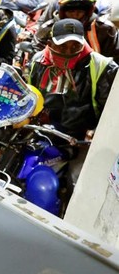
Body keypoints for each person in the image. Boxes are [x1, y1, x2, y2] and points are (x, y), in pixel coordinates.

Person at [27, 18, 117, 189]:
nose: (68, 52)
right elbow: (29, 96)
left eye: (75, 47)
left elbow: (111, 114)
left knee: (76, 183)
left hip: (81, 141)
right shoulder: (38, 62)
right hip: (42, 133)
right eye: (62, 46)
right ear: (50, 43)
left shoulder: (104, 67)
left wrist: (94, 134)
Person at [33, 0, 119, 61]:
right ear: (62, 11)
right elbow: (36, 56)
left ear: (88, 11)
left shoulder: (105, 29)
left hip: (91, 76)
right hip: (54, 74)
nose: (75, 15)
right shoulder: (47, 28)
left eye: (79, 11)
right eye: (71, 11)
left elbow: (113, 60)